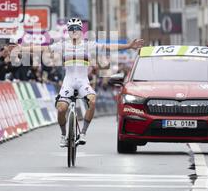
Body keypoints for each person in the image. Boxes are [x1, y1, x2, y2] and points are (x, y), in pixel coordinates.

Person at [21, 18, 144, 147]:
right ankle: (63, 135)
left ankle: (83, 133)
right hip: (68, 82)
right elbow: (41, 48)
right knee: (61, 109)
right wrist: (21, 49)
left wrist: (129, 46)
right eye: (71, 29)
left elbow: (109, 47)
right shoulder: (62, 45)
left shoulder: (88, 45)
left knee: (92, 100)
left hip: (83, 82)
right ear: (68, 32)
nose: (74, 31)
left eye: (77, 29)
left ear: (81, 31)